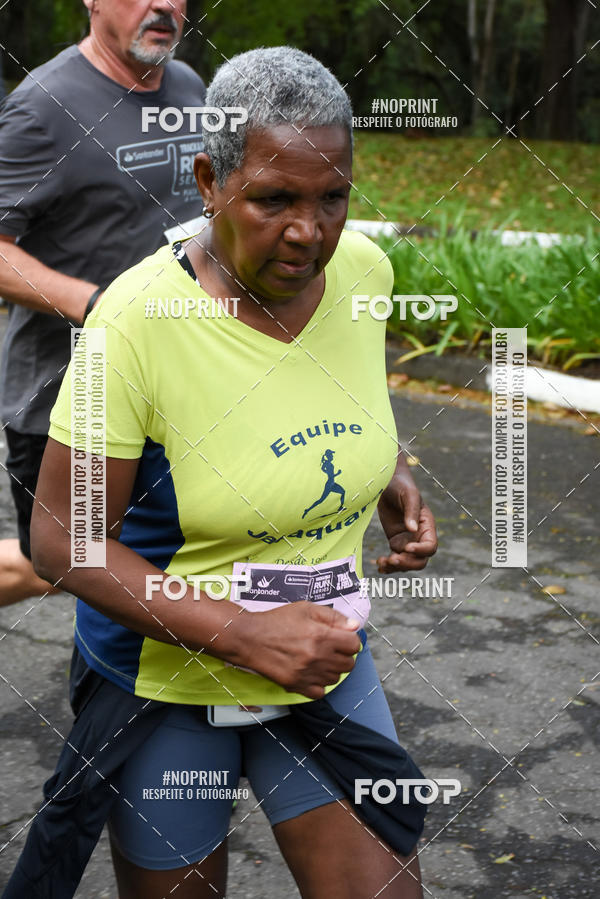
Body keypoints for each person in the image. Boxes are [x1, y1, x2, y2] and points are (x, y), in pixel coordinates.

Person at [17, 47, 438, 898]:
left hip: (322, 654)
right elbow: (63, 539)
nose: (308, 231)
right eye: (275, 199)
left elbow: (328, 396)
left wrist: (383, 470)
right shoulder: (136, 324)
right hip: (167, 679)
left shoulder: (364, 273)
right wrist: (247, 634)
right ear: (210, 181)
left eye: (333, 199)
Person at [0, 0, 206, 606]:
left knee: (148, 560)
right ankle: (119, 696)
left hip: (173, 390)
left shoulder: (190, 85)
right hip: (70, 400)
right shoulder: (44, 106)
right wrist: (101, 305)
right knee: (82, 567)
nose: (164, 4)